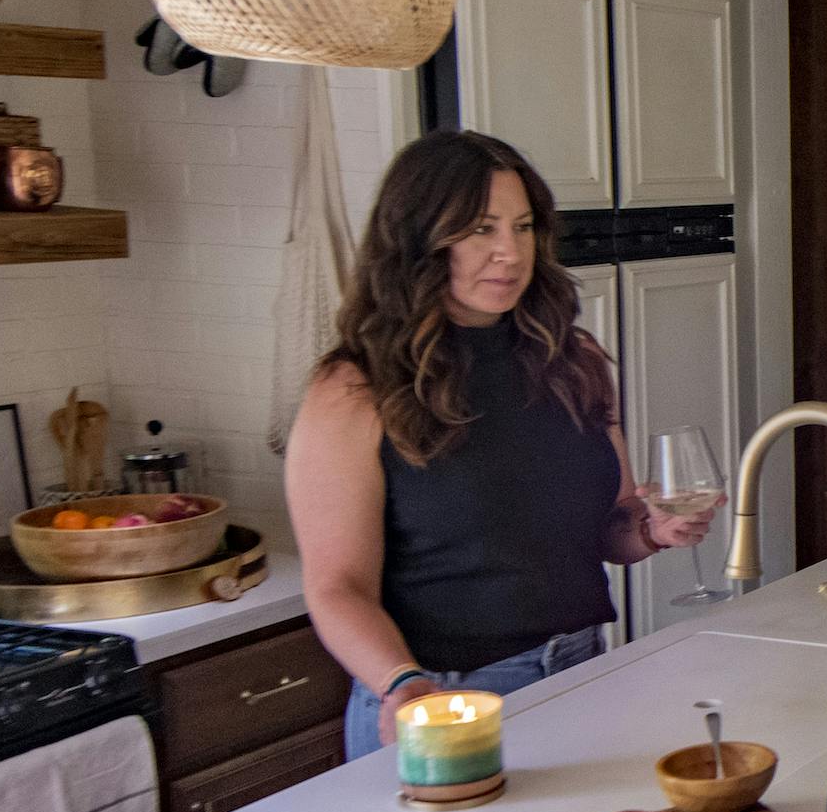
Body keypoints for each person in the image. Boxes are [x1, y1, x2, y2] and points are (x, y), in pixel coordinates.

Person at [286, 129, 717, 759]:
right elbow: (336, 586)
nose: (509, 253)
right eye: (481, 230)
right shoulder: (354, 390)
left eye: (522, 227)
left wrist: (652, 531)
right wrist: (403, 685)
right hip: (442, 699)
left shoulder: (572, 360)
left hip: (581, 673)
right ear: (418, 240)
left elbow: (609, 530)